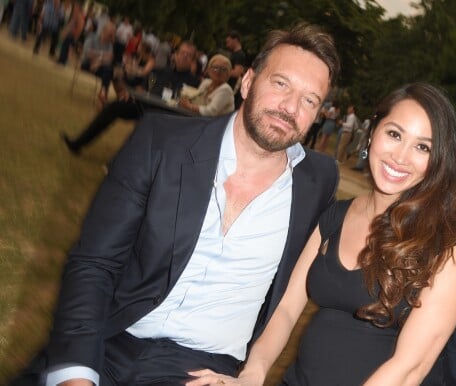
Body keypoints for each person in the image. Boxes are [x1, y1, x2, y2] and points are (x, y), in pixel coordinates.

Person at [12, 22, 340, 386]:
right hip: (108, 338)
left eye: (310, 100)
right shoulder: (161, 143)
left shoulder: (318, 180)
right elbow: (94, 263)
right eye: (281, 84)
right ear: (247, 82)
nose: (290, 107)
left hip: (202, 370)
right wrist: (77, 374)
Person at [188, 82, 456, 386]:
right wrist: (252, 373)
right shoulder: (336, 215)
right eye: (394, 134)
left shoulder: (449, 250)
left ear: (438, 161)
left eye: (422, 147)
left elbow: (408, 369)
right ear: (373, 133)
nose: (400, 157)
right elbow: (286, 310)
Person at [61, 41, 201, 155]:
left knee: (146, 128)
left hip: (165, 118)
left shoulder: (194, 83)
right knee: (114, 107)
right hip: (142, 107)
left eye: (189, 55)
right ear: (175, 55)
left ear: (193, 61)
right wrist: (132, 92)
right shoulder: (160, 71)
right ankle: (78, 143)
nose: (184, 57)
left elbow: (188, 106)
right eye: (182, 53)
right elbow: (144, 86)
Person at [225, 30, 247, 109]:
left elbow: (237, 73)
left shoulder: (239, 55)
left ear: (235, 40)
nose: (227, 45)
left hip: (232, 88)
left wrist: (223, 71)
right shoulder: (235, 54)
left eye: (228, 42)